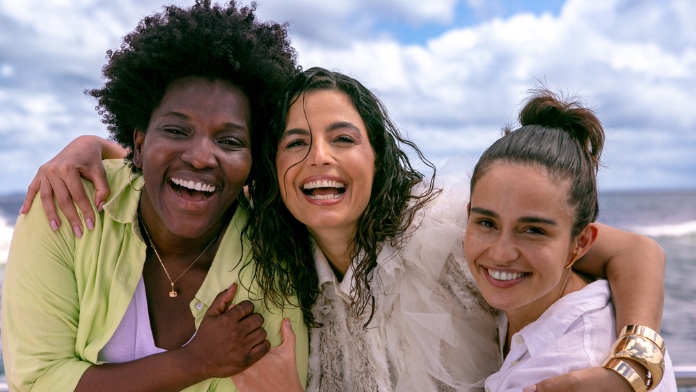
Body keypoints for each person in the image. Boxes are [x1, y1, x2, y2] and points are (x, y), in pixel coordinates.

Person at [22, 69, 667, 392]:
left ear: (377, 157)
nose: (320, 158)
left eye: (343, 138)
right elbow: (190, 162)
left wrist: (631, 367)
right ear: (269, 173)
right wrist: (91, 148)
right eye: (296, 142)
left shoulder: (454, 223)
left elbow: (631, 248)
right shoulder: (281, 256)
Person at [1, 2, 308, 391]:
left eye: (230, 141)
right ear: (139, 145)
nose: (200, 157)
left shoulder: (274, 260)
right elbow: (37, 380)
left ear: (252, 162)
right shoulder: (65, 204)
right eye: (177, 131)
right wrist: (193, 363)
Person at [463, 89, 676, 391]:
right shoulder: (544, 294)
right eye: (487, 222)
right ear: (467, 215)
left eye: (533, 230)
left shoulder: (563, 372)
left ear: (580, 243)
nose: (500, 253)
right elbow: (637, 250)